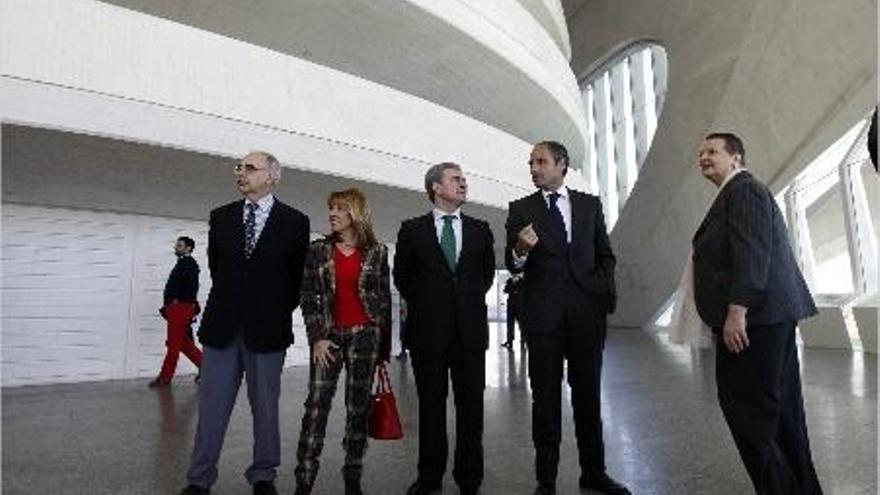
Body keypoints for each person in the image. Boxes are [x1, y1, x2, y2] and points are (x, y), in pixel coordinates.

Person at [693, 133, 822, 494]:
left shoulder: (744, 191)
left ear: (736, 159)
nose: (703, 157)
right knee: (780, 416)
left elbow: (752, 255)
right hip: (766, 319)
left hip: (754, 321)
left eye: (712, 152)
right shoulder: (735, 194)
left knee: (750, 414)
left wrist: (737, 312)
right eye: (701, 152)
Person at [180, 151, 310, 495]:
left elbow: (297, 279)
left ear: (272, 176)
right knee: (211, 408)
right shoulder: (220, 217)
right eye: (239, 167)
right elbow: (218, 267)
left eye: (250, 168)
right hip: (221, 328)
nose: (241, 173)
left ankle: (263, 475)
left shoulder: (296, 222)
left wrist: (272, 309)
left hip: (268, 331)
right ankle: (199, 479)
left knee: (266, 407)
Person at [506, 141, 629, 495]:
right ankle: (546, 481)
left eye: (541, 162)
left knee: (588, 396)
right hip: (543, 319)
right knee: (545, 400)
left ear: (562, 165)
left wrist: (602, 290)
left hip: (587, 316)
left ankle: (594, 472)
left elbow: (605, 255)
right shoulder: (521, 209)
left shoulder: (589, 205)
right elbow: (512, 263)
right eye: (531, 163)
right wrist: (520, 251)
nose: (533, 168)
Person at [393, 162, 495, 495]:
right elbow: (403, 278)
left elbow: (485, 277)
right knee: (430, 409)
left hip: (470, 334)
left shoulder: (481, 229)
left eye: (464, 178)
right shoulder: (412, 229)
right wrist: (432, 304)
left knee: (472, 410)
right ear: (435, 187)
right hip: (428, 334)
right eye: (455, 179)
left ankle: (470, 478)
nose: (463, 183)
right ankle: (429, 477)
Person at [294, 188, 391, 495]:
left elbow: (384, 301)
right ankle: (304, 480)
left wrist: (383, 351)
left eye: (340, 208)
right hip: (329, 339)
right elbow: (308, 297)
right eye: (331, 208)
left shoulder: (377, 251)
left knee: (358, 409)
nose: (332, 214)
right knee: (316, 407)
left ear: (356, 213)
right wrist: (317, 338)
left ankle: (353, 479)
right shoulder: (318, 249)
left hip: (366, 338)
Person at [150, 236, 203, 387]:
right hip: (178, 308)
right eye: (176, 245)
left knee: (173, 343)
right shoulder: (183, 263)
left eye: (179, 245)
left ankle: (165, 378)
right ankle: (206, 366)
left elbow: (193, 288)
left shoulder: (189, 263)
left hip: (181, 308)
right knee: (182, 342)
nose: (176, 248)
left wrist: (177, 302)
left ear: (188, 248)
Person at [501, 274, 524, 348]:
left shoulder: (522, 281)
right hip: (510, 305)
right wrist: (513, 288)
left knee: (521, 323)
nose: (514, 276)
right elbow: (505, 290)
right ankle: (509, 341)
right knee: (510, 323)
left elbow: (522, 291)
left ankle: (523, 339)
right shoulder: (509, 281)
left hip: (519, 305)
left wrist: (513, 289)